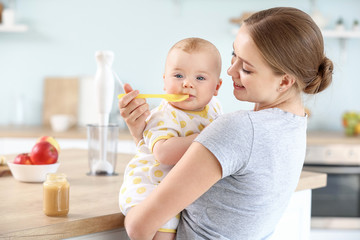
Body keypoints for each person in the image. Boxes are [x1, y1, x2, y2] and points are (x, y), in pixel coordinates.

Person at [119, 7, 333, 240]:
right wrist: (141, 133)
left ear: (284, 81)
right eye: (234, 55)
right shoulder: (295, 125)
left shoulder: (238, 129)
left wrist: (130, 204)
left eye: (246, 68)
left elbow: (139, 227)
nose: (230, 70)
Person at [119, 37, 223, 240]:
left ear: (216, 87)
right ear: (164, 81)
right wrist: (208, 136)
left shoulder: (214, 108)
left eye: (200, 78)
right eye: (178, 75)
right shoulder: (164, 115)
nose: (187, 84)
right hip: (150, 187)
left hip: (176, 189)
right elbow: (164, 153)